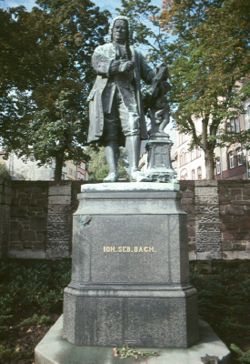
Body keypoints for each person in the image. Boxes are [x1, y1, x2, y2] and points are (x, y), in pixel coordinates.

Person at [87, 16, 155, 182]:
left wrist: (158, 76)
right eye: (116, 27)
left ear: (128, 31)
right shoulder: (102, 49)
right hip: (106, 95)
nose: (119, 30)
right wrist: (119, 66)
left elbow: (148, 73)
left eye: (123, 27)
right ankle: (112, 172)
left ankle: (134, 170)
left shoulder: (135, 53)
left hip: (128, 94)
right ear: (111, 30)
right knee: (110, 133)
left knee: (133, 125)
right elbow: (97, 64)